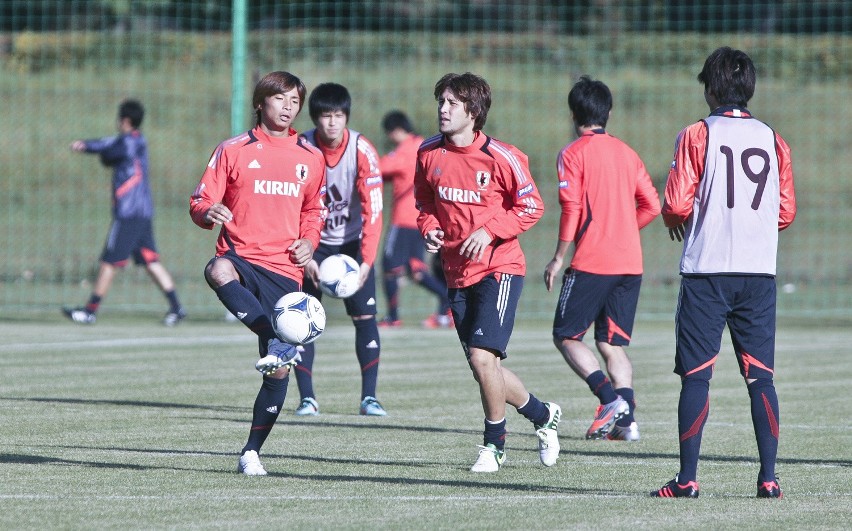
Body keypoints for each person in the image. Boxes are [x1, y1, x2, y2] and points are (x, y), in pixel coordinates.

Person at [650, 47, 796, 498]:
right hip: (758, 273)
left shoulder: (697, 133)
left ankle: (688, 479)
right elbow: (785, 212)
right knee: (761, 377)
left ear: (711, 88)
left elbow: (675, 204)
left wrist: (680, 220)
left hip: (707, 271)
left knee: (697, 376)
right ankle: (769, 478)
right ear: (748, 87)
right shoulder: (774, 139)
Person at [414, 72, 561, 472]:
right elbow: (424, 203)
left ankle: (494, 445)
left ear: (473, 111)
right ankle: (543, 415)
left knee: (482, 358)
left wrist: (488, 230)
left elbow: (531, 207)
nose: (442, 110)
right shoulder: (428, 152)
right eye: (440, 102)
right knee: (486, 367)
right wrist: (429, 230)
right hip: (455, 272)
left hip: (500, 269)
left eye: (451, 103)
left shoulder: (502, 157)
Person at [189, 71, 326, 475]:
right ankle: (273, 336)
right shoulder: (233, 149)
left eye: (295, 101)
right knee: (217, 269)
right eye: (281, 98)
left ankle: (251, 451)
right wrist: (206, 211)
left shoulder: (309, 155)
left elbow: (315, 209)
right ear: (261, 102)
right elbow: (201, 199)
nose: (288, 107)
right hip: (241, 255)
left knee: (278, 370)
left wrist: (310, 241)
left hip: (284, 269)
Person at [543, 76, 661, 441]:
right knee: (612, 344)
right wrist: (623, 229)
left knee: (566, 336)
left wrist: (559, 256)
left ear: (573, 113)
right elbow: (652, 206)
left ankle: (609, 400)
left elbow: (571, 207)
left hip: (593, 263)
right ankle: (627, 424)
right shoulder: (628, 152)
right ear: (607, 112)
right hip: (630, 264)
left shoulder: (572, 153)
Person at [295, 83, 387, 417]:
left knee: (365, 317)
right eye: (325, 116)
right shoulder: (301, 147)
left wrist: (366, 261)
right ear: (315, 118)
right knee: (303, 317)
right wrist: (304, 253)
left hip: (352, 243)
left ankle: (370, 398)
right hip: (312, 241)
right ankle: (307, 398)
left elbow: (374, 211)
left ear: (346, 116)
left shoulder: (363, 150)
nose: (333, 123)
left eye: (339, 115)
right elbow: (290, 206)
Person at [63, 99, 186, 327]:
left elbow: (107, 150)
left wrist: (85, 146)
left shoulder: (128, 143)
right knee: (150, 261)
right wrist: (99, 151)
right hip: (142, 212)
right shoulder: (135, 141)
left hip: (130, 213)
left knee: (109, 261)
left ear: (125, 120)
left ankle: (89, 311)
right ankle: (177, 307)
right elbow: (109, 149)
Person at [376, 110, 452, 329]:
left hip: (403, 219)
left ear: (396, 131)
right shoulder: (425, 146)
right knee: (415, 269)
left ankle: (392, 317)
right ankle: (447, 304)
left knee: (391, 267)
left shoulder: (404, 150)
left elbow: (377, 169)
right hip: (425, 217)